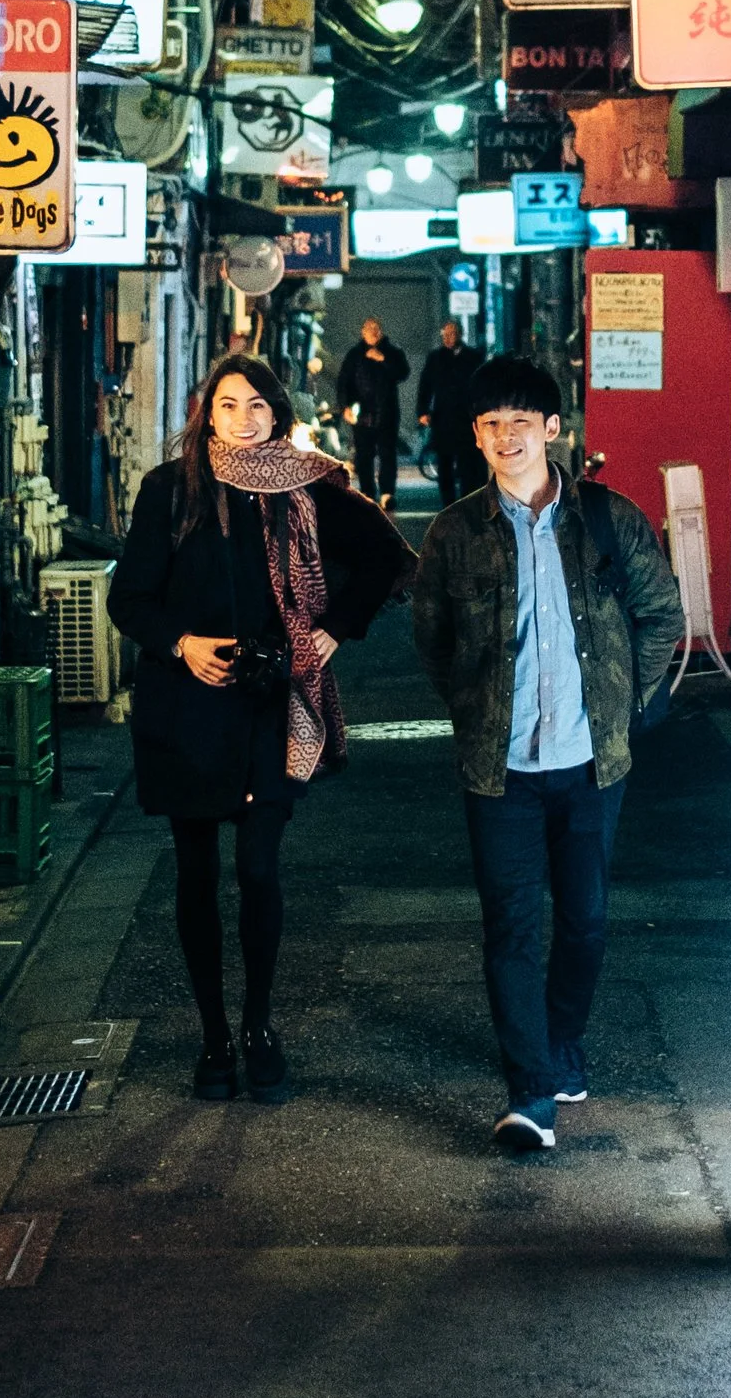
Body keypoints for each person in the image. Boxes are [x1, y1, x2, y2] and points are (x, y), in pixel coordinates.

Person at [113, 351, 412, 1102]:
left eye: (256, 405)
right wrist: (182, 644)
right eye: (227, 405)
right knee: (195, 874)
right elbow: (129, 598)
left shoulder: (307, 487)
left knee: (258, 870)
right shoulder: (169, 490)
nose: (243, 420)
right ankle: (213, 1034)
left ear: (277, 413)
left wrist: (336, 629)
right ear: (204, 414)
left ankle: (259, 1025)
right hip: (186, 706)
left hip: (270, 703)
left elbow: (385, 557)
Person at [411, 352, 684, 1155]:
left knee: (588, 921)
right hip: (500, 771)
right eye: (491, 425)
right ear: (476, 433)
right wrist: (472, 707)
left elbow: (661, 614)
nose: (506, 437)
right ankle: (530, 1090)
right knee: (509, 930)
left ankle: (562, 1042)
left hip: (593, 764)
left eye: (520, 423)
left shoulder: (606, 518)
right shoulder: (456, 531)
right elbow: (433, 638)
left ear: (552, 429)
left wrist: (623, 711)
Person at [336, 316, 410, 508]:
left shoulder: (393, 352)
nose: (373, 332)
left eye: (376, 328)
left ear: (382, 331)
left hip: (387, 412)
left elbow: (403, 372)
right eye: (369, 328)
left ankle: (387, 493)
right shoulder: (354, 355)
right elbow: (344, 382)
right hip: (362, 414)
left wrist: (383, 360)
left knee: (387, 454)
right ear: (363, 332)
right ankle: (367, 492)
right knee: (364, 455)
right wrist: (345, 406)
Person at [415, 317, 484, 505]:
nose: (448, 337)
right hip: (443, 416)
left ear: (460, 334)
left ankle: (468, 501)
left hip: (466, 417)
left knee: (467, 463)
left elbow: (481, 386)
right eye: (445, 334)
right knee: (444, 463)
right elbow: (425, 385)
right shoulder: (435, 358)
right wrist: (422, 410)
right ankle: (449, 504)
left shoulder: (473, 357)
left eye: (452, 333)